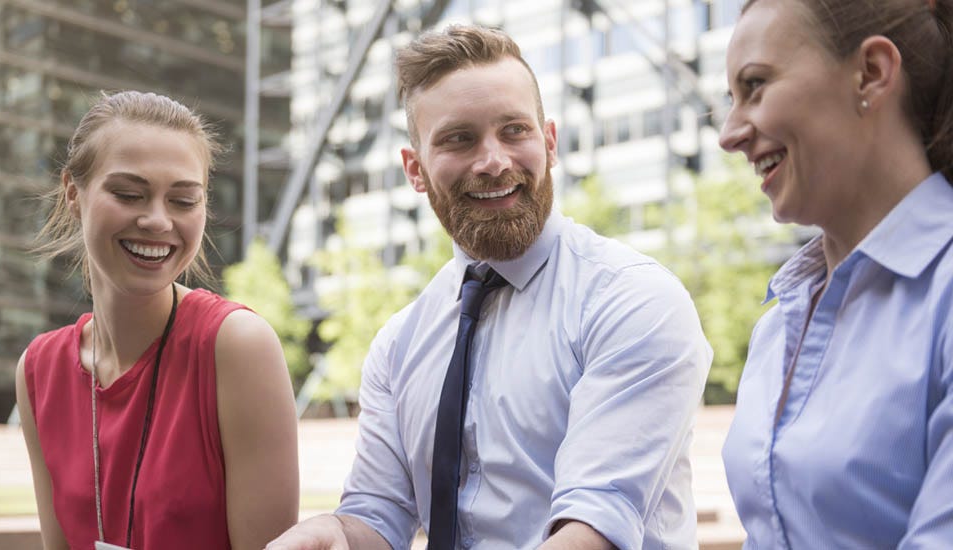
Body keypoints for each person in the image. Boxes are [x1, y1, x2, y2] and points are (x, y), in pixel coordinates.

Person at [266, 25, 711, 550]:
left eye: (514, 131)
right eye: (459, 138)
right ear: (415, 170)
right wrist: (331, 532)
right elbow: (378, 513)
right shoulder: (398, 343)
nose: (494, 160)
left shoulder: (632, 300)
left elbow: (594, 527)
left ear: (549, 142)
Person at [15, 90, 299, 549]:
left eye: (184, 201)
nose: (157, 221)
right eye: (129, 194)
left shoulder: (238, 346)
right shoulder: (37, 369)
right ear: (73, 193)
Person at [718, 0, 953, 547]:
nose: (728, 134)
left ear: (870, 73)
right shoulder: (777, 326)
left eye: (755, 86)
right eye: (729, 101)